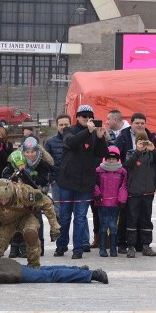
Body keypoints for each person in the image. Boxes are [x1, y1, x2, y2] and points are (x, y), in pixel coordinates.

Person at [55, 105, 108, 259]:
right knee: (65, 216)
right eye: (83, 116)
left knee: (80, 216)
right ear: (77, 117)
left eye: (89, 116)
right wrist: (88, 131)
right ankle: (61, 245)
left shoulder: (93, 133)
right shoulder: (69, 130)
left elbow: (102, 154)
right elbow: (71, 142)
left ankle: (77, 249)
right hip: (68, 181)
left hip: (85, 183)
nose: (86, 118)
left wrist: (99, 138)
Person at [0, 178, 60, 269]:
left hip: (25, 217)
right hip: (5, 223)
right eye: (0, 200)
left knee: (31, 233)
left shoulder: (25, 192)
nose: (3, 202)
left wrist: (54, 226)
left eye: (6, 199)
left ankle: (34, 265)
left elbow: (46, 202)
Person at [2, 138, 54, 257]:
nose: (30, 155)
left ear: (37, 151)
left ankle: (37, 246)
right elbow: (5, 174)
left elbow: (44, 179)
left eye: (32, 152)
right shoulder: (16, 161)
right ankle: (15, 247)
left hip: (35, 196)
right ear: (23, 152)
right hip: (18, 196)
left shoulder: (42, 163)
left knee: (36, 221)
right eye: (27, 152)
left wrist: (28, 175)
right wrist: (15, 177)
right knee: (16, 220)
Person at [124, 131, 156, 258]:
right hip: (134, 192)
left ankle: (146, 245)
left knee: (146, 219)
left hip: (148, 191)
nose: (143, 144)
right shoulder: (131, 153)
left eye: (144, 141)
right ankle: (130, 246)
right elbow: (128, 164)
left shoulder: (151, 154)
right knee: (132, 218)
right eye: (140, 141)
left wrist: (154, 150)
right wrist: (137, 151)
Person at [93, 146, 128, 257]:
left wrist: (122, 199)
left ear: (117, 159)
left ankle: (113, 249)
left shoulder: (122, 171)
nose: (111, 160)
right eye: (109, 158)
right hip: (102, 203)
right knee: (103, 225)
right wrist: (97, 194)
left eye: (114, 158)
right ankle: (102, 248)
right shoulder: (98, 170)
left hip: (115, 204)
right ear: (105, 158)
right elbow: (94, 183)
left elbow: (124, 186)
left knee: (113, 226)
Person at [44, 114, 71, 206]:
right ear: (57, 126)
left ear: (70, 125)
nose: (64, 127)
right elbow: (45, 162)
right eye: (61, 124)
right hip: (57, 182)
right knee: (59, 211)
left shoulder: (76, 139)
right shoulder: (50, 142)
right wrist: (51, 179)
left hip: (73, 182)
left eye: (66, 124)